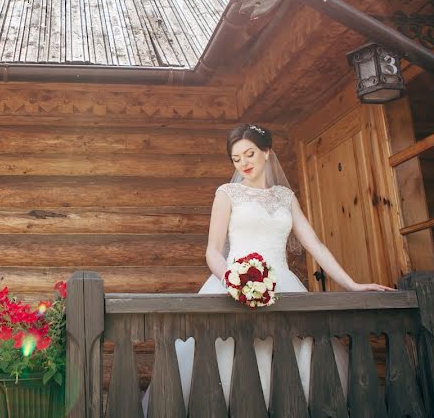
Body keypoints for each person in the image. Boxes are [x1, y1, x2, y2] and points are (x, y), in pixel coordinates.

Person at [142, 123, 393, 414]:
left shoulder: (285, 197)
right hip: (234, 285)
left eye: (249, 154)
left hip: (282, 285)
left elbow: (314, 244)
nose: (244, 163)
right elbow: (212, 250)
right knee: (225, 358)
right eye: (236, 159)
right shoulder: (227, 194)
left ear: (267, 152)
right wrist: (232, 280)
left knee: (300, 359)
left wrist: (352, 285)